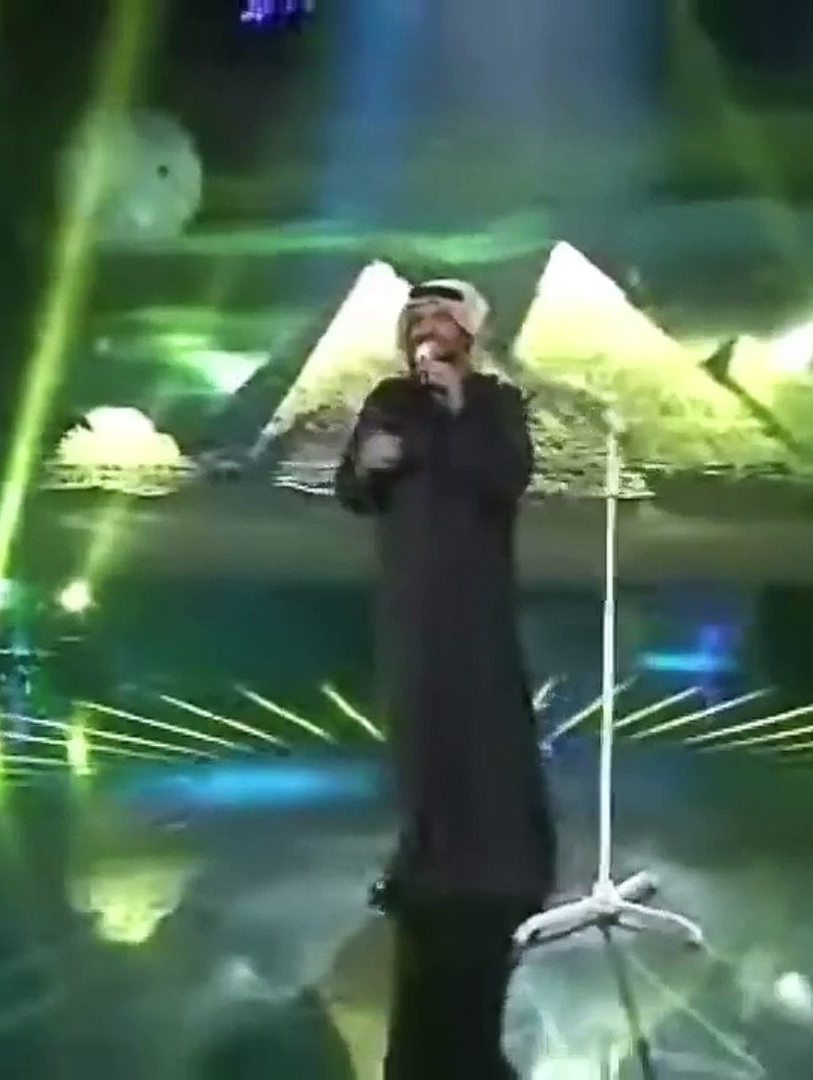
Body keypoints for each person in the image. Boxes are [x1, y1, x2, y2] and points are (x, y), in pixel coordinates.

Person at [334, 279, 556, 1079]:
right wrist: (369, 465)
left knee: (484, 717)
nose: (426, 328)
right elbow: (352, 490)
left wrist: (459, 409)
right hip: (410, 590)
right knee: (419, 720)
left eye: (440, 317)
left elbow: (506, 477)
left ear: (468, 332)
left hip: (475, 589)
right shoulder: (389, 399)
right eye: (416, 317)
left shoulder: (494, 401)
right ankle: (428, 854)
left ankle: (498, 858)